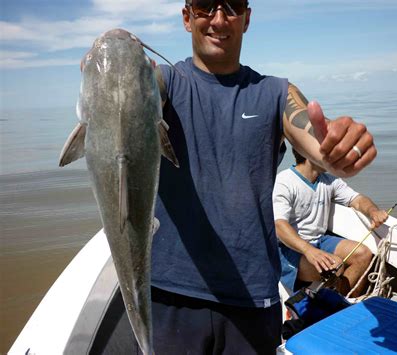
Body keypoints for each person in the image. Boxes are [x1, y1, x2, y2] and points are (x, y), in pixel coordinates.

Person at [148, 1, 377, 353]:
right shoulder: (164, 83)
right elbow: (136, 90)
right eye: (206, 6)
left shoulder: (276, 92)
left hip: (252, 296)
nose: (219, 19)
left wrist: (336, 154)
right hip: (170, 292)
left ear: (247, 19)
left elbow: (312, 138)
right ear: (187, 17)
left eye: (232, 7)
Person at [273, 148, 388, 297]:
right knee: (335, 266)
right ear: (309, 154)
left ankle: (342, 303)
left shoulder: (330, 180)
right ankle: (321, 303)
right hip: (288, 249)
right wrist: (310, 251)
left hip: (320, 240)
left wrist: (373, 211)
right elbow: (279, 226)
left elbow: (357, 200)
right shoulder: (283, 182)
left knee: (363, 254)